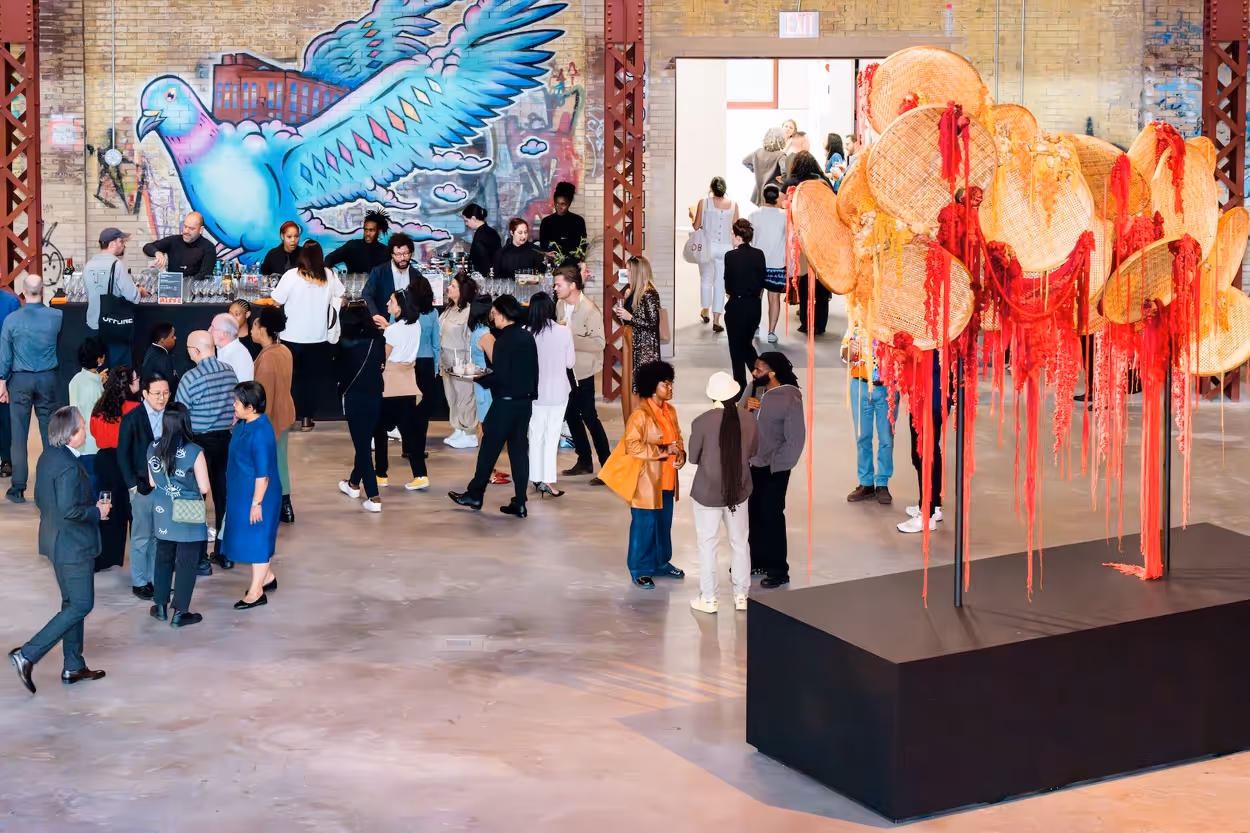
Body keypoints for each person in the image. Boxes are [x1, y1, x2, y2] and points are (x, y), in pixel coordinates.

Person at [8, 406, 110, 694]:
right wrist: (96, 512)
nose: (86, 432)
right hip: (73, 546)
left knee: (71, 603)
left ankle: (74, 665)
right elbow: (70, 510)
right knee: (81, 604)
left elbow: (41, 500)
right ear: (70, 435)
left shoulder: (49, 456)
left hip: (56, 542)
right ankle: (28, 654)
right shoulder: (68, 466)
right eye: (82, 427)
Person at [449, 295, 538, 517]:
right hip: (524, 404)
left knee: (488, 452)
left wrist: (475, 376)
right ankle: (520, 501)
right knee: (519, 454)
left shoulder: (503, 341)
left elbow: (499, 377)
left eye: (495, 314)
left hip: (504, 404)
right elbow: (534, 371)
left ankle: (475, 495)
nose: (493, 318)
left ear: (502, 314)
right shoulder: (527, 336)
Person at [688, 371, 758, 613]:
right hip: (738, 492)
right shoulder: (748, 419)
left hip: (707, 493)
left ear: (711, 396)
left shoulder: (701, 422)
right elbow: (753, 452)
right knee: (740, 543)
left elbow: (693, 457)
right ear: (735, 393)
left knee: (708, 545)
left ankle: (709, 599)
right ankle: (741, 596)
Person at [177, 330, 240, 572]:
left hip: (198, 445)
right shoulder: (229, 371)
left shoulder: (190, 379)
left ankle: (199, 557)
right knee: (224, 497)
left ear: (196, 350)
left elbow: (181, 417)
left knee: (195, 500)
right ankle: (224, 552)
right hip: (225, 440)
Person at [0, 273, 63, 504]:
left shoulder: (12, 320)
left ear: (23, 293)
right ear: (43, 291)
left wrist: (1, 382)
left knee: (19, 434)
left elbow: (5, 356)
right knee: (49, 434)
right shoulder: (57, 316)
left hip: (20, 381)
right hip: (47, 378)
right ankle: (49, 484)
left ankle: (18, 487)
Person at [744, 352, 805, 588]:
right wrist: (746, 409)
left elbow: (795, 439)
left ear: (772, 373)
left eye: (758, 370)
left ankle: (779, 570)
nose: (753, 373)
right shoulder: (753, 389)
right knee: (754, 514)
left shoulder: (790, 398)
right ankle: (756, 561)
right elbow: (736, 417)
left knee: (772, 517)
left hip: (774, 469)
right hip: (752, 465)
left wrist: (777, 465)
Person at [623, 360, 686, 589]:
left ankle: (661, 563)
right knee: (644, 526)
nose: (670, 388)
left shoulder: (671, 411)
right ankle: (640, 569)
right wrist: (662, 451)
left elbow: (677, 439)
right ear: (652, 386)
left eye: (671, 383)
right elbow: (632, 447)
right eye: (665, 384)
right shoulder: (640, 415)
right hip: (646, 483)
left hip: (667, 480)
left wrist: (681, 455)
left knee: (663, 525)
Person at [146, 402, 210, 627]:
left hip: (163, 511)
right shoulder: (194, 451)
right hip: (188, 513)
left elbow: (153, 482)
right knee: (186, 562)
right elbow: (204, 488)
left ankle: (161, 607)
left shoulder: (153, 447)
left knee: (163, 558)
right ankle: (180, 613)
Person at [271, 240, 345, 432]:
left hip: (291, 337)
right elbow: (342, 297)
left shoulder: (291, 276)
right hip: (318, 338)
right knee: (312, 380)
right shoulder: (328, 275)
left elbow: (276, 301)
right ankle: (306, 418)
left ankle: (288, 418)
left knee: (291, 379)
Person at [224, 381, 282, 609]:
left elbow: (263, 474)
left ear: (250, 407)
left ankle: (257, 591)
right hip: (242, 491)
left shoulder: (261, 433)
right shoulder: (245, 423)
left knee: (258, 539)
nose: (234, 405)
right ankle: (266, 577)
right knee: (250, 536)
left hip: (259, 494)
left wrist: (256, 503)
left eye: (237, 402)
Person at [554, 265, 610, 483]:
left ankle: (607, 466)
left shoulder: (589, 310)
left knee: (589, 417)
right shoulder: (560, 305)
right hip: (566, 370)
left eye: (559, 284)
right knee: (570, 415)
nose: (555, 288)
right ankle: (585, 460)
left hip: (584, 372)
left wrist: (569, 338)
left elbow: (599, 343)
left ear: (573, 285)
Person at [371, 288, 429, 491]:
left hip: (390, 385)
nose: (388, 304)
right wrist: (388, 327)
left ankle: (381, 474)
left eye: (391, 301)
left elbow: (382, 358)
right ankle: (420, 474)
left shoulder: (393, 331)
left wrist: (386, 331)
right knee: (410, 433)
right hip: (409, 384)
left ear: (401, 306)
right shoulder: (416, 325)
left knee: (379, 431)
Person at [120, 372, 170, 600]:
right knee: (141, 536)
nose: (162, 398)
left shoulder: (172, 415)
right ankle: (139, 581)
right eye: (157, 394)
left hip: (166, 488)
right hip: (142, 486)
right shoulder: (133, 418)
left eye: (166, 393)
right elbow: (122, 455)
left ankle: (154, 578)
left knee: (160, 536)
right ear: (145, 394)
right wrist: (132, 486)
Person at [335, 303, 386, 512]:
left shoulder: (345, 343)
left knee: (363, 447)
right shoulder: (378, 340)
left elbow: (336, 371)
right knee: (364, 441)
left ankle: (374, 496)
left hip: (354, 398)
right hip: (375, 396)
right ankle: (354, 483)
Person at [89, 366, 140, 573]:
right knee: (133, 511)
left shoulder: (99, 408)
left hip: (104, 461)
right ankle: (138, 558)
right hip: (127, 461)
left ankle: (107, 555)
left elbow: (94, 433)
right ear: (127, 385)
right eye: (136, 379)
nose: (139, 382)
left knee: (108, 508)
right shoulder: (135, 408)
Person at [525, 292, 574, 497]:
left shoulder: (526, 332)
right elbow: (570, 363)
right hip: (558, 391)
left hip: (534, 392)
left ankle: (535, 477)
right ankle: (548, 480)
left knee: (535, 435)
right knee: (553, 436)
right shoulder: (563, 332)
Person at [250, 305, 297, 523]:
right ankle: (285, 506)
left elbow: (263, 396)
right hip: (285, 412)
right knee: (280, 460)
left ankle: (280, 505)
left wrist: (257, 424)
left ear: (263, 328)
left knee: (269, 462)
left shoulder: (267, 359)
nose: (251, 328)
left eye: (255, 324)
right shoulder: (284, 350)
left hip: (272, 417)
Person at [842, 324, 897, 506]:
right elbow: (845, 356)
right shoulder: (856, 324)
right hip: (860, 385)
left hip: (887, 386)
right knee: (862, 436)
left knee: (886, 438)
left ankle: (882, 483)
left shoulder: (894, 325)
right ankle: (866, 483)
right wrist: (850, 351)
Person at [898, 350, 950, 534]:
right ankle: (933, 506)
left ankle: (926, 513)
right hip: (928, 389)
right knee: (927, 450)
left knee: (925, 450)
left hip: (931, 392)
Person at [784, 151, 835, 335]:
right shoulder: (823, 183)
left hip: (802, 240)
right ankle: (821, 324)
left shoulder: (792, 183)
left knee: (805, 282)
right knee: (821, 284)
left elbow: (785, 210)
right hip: (823, 239)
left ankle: (806, 323)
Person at [83, 227, 148, 367]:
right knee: (118, 371)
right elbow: (133, 296)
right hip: (113, 325)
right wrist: (140, 290)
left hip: (93, 324)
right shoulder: (116, 265)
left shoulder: (88, 265)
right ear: (112, 244)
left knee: (98, 368)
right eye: (121, 241)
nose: (123, 244)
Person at [467, 295, 510, 487]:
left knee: (485, 427)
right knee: (487, 430)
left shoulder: (476, 331)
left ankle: (488, 468)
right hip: (488, 386)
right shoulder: (486, 335)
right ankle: (486, 471)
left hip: (480, 383)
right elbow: (497, 360)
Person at [612, 256, 661, 422]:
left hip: (644, 350)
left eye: (629, 271)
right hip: (632, 345)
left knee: (641, 390)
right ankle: (633, 426)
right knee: (630, 388)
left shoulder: (650, 294)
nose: (627, 275)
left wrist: (630, 317)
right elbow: (628, 320)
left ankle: (642, 428)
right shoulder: (634, 292)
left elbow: (653, 323)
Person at [723, 218, 767, 396]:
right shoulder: (759, 254)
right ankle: (761, 377)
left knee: (736, 347)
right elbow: (763, 280)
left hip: (737, 305)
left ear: (737, 237)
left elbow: (728, 284)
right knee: (747, 345)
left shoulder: (730, 256)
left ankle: (740, 386)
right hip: (755, 306)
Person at [439, 271, 479, 448]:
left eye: (453, 286)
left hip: (461, 360)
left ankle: (470, 432)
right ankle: (458, 427)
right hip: (445, 359)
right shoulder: (449, 308)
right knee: (452, 396)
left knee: (465, 396)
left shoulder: (469, 311)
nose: (449, 288)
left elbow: (471, 339)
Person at [692, 177, 738, 332]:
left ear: (711, 188)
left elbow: (697, 225)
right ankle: (717, 319)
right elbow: (736, 228)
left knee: (706, 278)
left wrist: (693, 217)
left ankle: (705, 310)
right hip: (726, 248)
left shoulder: (703, 203)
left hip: (707, 247)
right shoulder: (733, 205)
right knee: (720, 283)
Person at [748, 185, 788, 343]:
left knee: (756, 297)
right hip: (777, 263)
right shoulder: (785, 216)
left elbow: (749, 238)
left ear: (763, 197)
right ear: (777, 197)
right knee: (774, 298)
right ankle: (771, 332)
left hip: (757, 264)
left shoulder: (753, 215)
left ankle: (755, 327)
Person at [68, 338, 107, 484]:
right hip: (94, 445)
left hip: (78, 443)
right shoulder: (96, 388)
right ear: (99, 359)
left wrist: (99, 380)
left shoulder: (75, 380)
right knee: (94, 484)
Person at [142, 211, 216, 280]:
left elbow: (205, 275)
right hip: (172, 289)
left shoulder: (208, 247)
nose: (186, 231)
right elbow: (147, 247)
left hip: (195, 291)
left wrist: (183, 284)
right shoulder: (174, 241)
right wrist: (157, 252)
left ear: (201, 230)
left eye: (191, 228)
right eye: (185, 226)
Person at [363, 232, 420, 318]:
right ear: (392, 255)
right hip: (384, 324)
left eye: (406, 253)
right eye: (398, 254)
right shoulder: (379, 272)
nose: (402, 258)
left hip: (409, 325)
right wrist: (375, 315)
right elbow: (367, 295)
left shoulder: (417, 276)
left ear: (411, 253)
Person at [325, 209, 390, 275]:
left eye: (371, 230)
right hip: (353, 284)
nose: (367, 234)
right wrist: (330, 277)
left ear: (379, 232)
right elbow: (329, 259)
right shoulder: (352, 246)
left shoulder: (385, 251)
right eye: (365, 230)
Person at [538, 181, 589, 264]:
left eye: (563, 204)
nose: (559, 207)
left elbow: (582, 245)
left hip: (573, 265)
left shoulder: (578, 221)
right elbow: (543, 246)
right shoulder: (546, 222)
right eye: (557, 204)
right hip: (552, 265)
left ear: (569, 204)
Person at [742, 128, 786, 207]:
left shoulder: (757, 152)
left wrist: (755, 170)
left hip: (759, 193)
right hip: (774, 194)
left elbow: (745, 161)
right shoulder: (781, 156)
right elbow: (785, 173)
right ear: (781, 139)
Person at [0, 281, 18, 479]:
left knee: (5, 417)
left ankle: (7, 459)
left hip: (4, 366)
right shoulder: (11, 301)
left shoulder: (10, 302)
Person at [210, 312, 254, 382]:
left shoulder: (240, 356)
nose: (209, 331)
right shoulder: (224, 350)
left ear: (224, 334)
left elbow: (242, 390)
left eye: (212, 328)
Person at [463, 204, 502, 277]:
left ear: (473, 218)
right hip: (495, 274)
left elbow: (480, 260)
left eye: (466, 221)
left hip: (484, 277)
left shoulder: (480, 235)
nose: (466, 224)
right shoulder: (492, 232)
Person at [140, 322, 178, 395]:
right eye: (172, 336)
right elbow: (169, 386)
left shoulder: (152, 350)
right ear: (162, 340)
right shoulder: (162, 359)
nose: (175, 338)